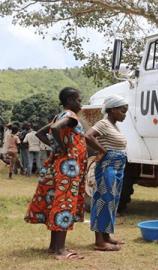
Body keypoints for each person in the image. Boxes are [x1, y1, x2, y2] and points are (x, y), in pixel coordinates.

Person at [24, 87, 87, 260]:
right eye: (78, 100)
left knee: (59, 202)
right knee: (65, 204)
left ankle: (54, 247)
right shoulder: (71, 116)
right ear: (70, 100)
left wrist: (56, 147)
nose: (80, 104)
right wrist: (65, 147)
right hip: (68, 168)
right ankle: (60, 250)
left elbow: (41, 132)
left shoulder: (58, 115)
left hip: (61, 165)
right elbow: (56, 129)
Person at [85, 95, 128, 252]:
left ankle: (107, 236)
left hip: (117, 166)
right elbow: (88, 136)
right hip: (107, 166)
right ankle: (99, 241)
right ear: (112, 110)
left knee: (113, 200)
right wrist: (102, 150)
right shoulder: (103, 123)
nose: (124, 114)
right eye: (123, 111)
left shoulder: (114, 125)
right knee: (103, 199)